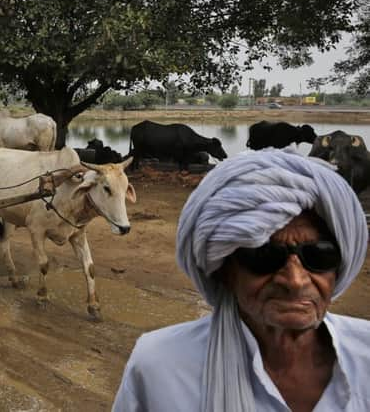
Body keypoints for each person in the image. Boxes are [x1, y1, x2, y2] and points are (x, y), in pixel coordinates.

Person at [113, 148, 370, 412]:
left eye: (320, 255)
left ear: (339, 266)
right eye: (264, 256)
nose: (294, 281)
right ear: (225, 272)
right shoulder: (159, 367)